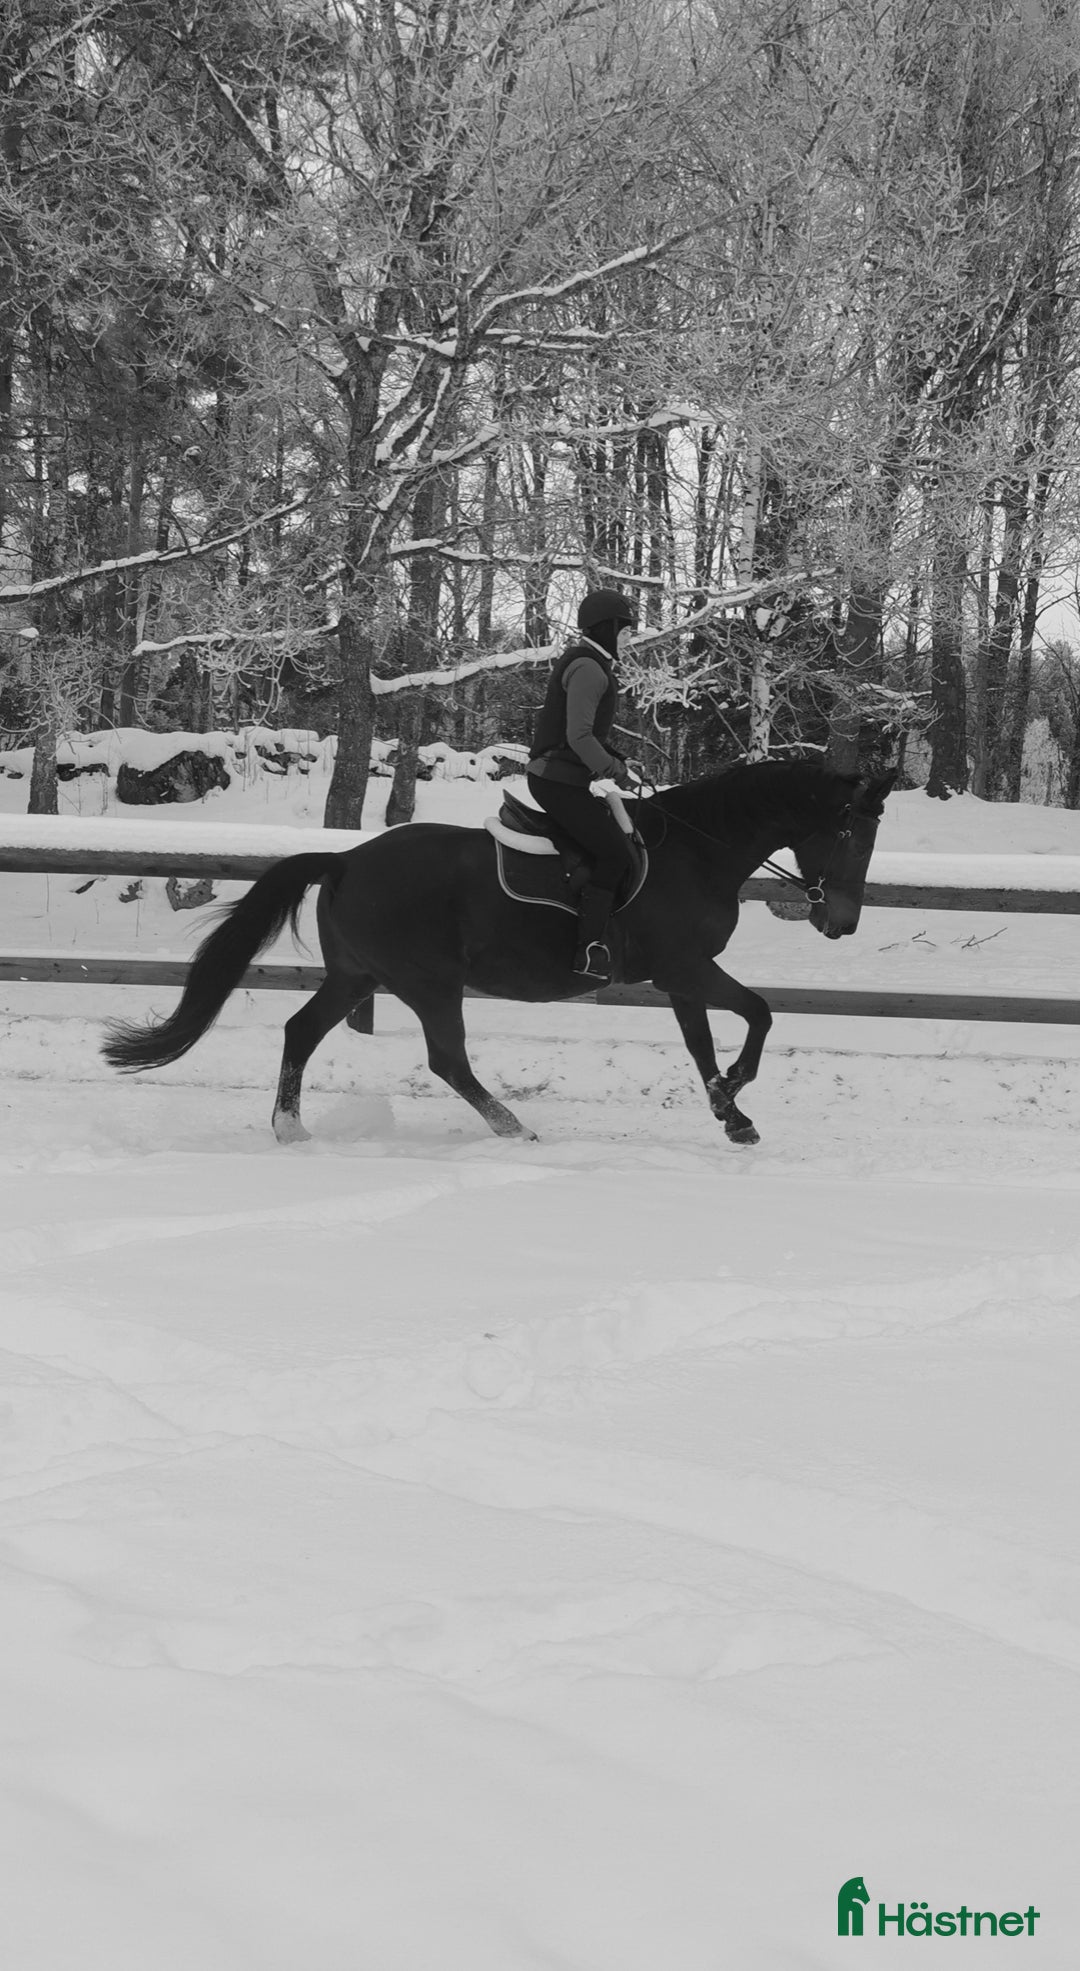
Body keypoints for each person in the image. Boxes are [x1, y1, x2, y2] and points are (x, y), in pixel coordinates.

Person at [526, 588, 640, 981]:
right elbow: (578, 737)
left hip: (563, 777)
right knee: (615, 856)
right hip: (555, 780)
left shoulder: (591, 663)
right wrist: (616, 772)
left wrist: (618, 758)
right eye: (624, 630)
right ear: (606, 628)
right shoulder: (590, 669)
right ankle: (587, 949)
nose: (628, 638)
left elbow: (582, 733)